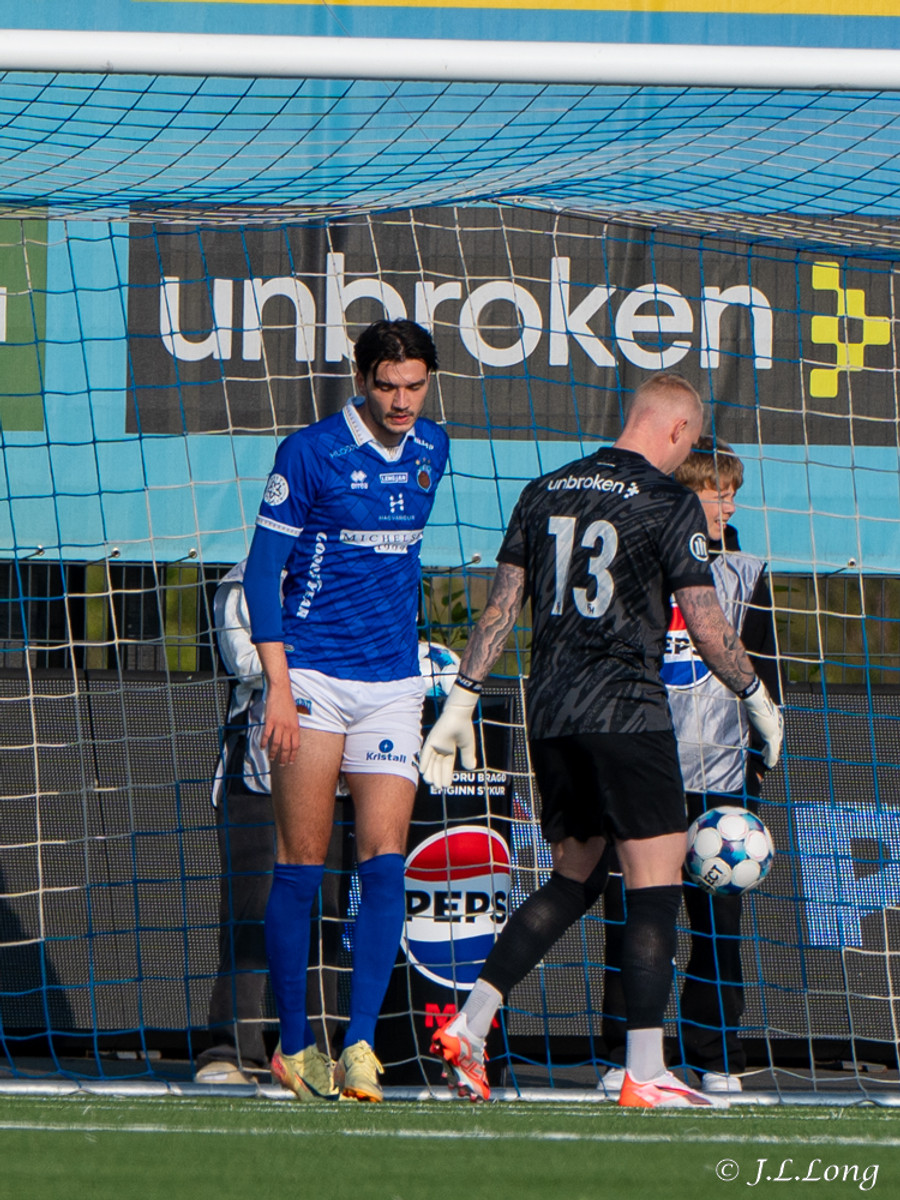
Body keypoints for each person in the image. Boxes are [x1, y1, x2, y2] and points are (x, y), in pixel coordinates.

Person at [418, 373, 783, 1109]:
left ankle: (470, 1021)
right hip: (628, 714)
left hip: (552, 714)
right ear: (678, 432)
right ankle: (645, 1069)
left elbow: (500, 608)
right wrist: (756, 697)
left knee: (576, 879)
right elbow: (706, 623)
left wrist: (463, 697)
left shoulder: (544, 489)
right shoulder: (668, 499)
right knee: (655, 888)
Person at [243, 319, 449, 1102]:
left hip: (392, 684)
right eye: (387, 386)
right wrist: (278, 685)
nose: (401, 401)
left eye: (414, 386)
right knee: (302, 863)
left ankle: (360, 1043)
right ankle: (295, 1046)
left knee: (385, 859)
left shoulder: (434, 448)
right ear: (362, 381)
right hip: (313, 679)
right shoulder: (310, 452)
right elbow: (264, 572)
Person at [599, 437, 783, 1097]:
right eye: (714, 492)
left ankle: (716, 1053)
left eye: (732, 493)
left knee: (717, 925)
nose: (726, 505)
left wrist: (757, 762)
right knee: (635, 913)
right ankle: (624, 1052)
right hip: (646, 765)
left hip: (721, 774)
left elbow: (763, 669)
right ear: (682, 496)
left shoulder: (747, 574)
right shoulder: (639, 565)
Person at [193, 562, 350, 1086]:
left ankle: (315, 1049)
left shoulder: (352, 574)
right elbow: (248, 663)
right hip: (255, 776)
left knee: (323, 915)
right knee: (251, 913)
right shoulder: (244, 581)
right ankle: (230, 1049)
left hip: (328, 775)